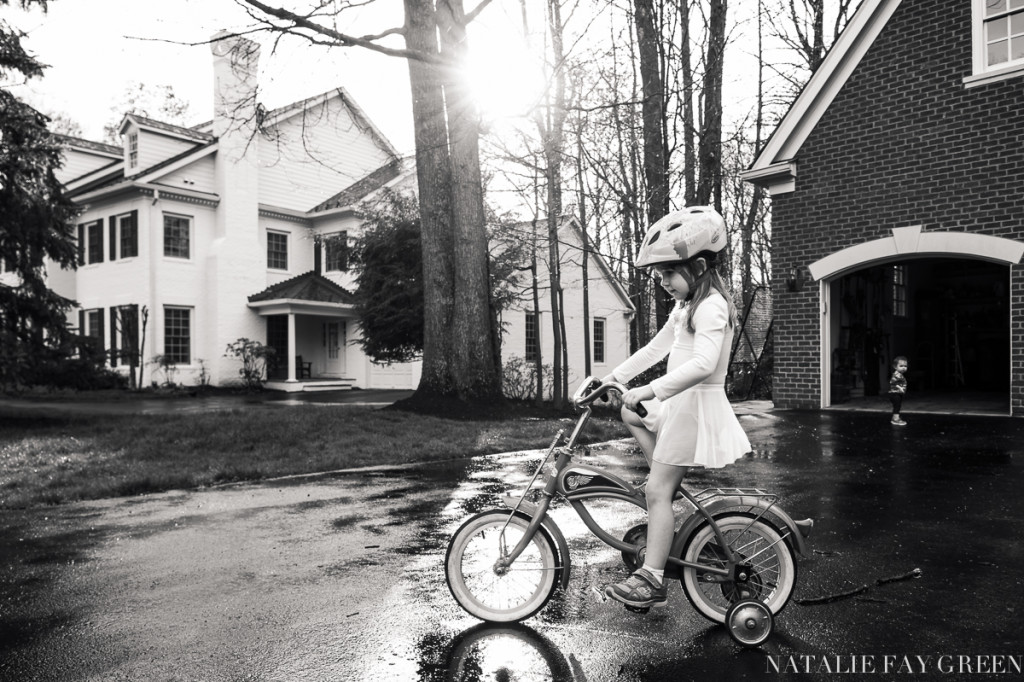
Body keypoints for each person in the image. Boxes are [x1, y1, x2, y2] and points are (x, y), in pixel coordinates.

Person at [601, 206, 751, 610]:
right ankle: (664, 486)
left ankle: (650, 578)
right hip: (680, 404)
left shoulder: (712, 305)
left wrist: (649, 389)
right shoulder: (687, 306)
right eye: (660, 274)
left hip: (694, 406)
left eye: (669, 273)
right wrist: (613, 377)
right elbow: (656, 348)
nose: (662, 281)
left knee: (656, 491)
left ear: (699, 265)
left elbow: (702, 365)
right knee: (630, 413)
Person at [888, 356, 909, 426]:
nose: (903, 367)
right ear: (895, 367)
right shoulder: (896, 375)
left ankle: (896, 417)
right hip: (895, 393)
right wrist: (900, 388)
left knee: (898, 406)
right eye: (901, 366)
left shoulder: (900, 375)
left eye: (905, 366)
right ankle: (895, 419)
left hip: (898, 393)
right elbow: (892, 382)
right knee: (897, 406)